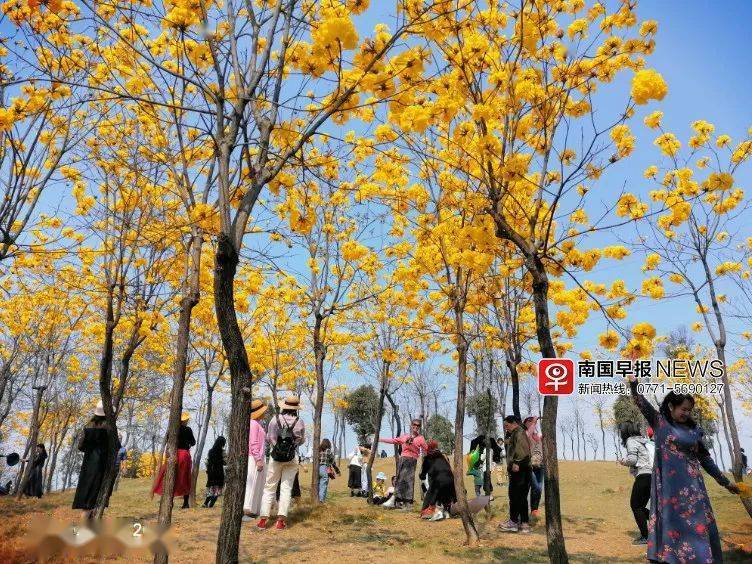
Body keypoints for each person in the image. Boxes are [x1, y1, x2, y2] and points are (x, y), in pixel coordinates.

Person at [629, 377, 739, 563]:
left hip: (693, 490)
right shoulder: (660, 423)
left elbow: (705, 459)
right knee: (672, 526)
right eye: (683, 409)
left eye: (689, 410)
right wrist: (633, 382)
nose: (687, 413)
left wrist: (725, 482)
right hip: (669, 491)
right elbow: (640, 402)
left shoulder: (693, 431)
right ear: (671, 406)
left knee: (696, 527)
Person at [258, 394, 305, 530]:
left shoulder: (275, 419)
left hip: (276, 457)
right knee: (286, 488)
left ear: (284, 406)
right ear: (296, 408)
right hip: (291, 457)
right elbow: (301, 440)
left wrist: (277, 445)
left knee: (269, 487)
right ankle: (280, 521)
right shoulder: (299, 421)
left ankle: (263, 519)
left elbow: (269, 437)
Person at [616, 421, 654, 545]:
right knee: (641, 506)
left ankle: (646, 536)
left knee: (635, 506)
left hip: (643, 475)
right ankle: (661, 524)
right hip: (652, 475)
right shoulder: (643, 440)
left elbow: (632, 460)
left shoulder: (631, 441)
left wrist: (623, 461)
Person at [72, 401, 110, 519]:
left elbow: (80, 446)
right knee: (92, 501)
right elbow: (114, 447)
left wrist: (90, 450)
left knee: (88, 500)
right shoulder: (109, 428)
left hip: (88, 465)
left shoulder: (88, 427)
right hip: (102, 466)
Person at [379, 419, 428, 509]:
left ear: (419, 427)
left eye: (418, 425)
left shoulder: (421, 438)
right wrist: (380, 439)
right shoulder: (404, 436)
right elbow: (393, 440)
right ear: (411, 425)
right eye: (414, 424)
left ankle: (407, 503)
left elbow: (426, 449)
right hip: (403, 459)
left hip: (412, 460)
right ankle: (397, 501)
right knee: (400, 480)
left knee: (408, 481)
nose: (416, 427)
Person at [153, 412, 196, 509]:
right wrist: (187, 442)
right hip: (184, 455)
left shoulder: (173, 429)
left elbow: (168, 439)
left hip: (173, 454)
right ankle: (185, 503)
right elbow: (193, 442)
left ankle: (170, 500)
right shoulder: (188, 430)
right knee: (185, 478)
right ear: (185, 420)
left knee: (170, 476)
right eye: (187, 420)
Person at [498, 415, 532, 534]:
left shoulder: (519, 433)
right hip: (524, 469)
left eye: (507, 426)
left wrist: (516, 462)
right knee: (522, 497)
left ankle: (513, 522)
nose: (506, 428)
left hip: (520, 469)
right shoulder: (516, 433)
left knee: (515, 495)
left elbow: (523, 450)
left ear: (514, 423)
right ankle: (524, 523)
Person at [419, 440, 456, 521]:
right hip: (451, 481)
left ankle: (426, 512)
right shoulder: (443, 457)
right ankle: (447, 510)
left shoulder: (428, 458)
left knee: (431, 493)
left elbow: (423, 475)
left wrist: (421, 476)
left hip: (438, 482)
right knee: (442, 490)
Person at [243, 399, 268, 519]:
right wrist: (258, 459)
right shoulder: (253, 423)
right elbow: (253, 443)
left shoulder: (258, 423)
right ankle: (247, 511)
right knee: (252, 484)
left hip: (259, 457)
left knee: (258, 484)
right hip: (254, 458)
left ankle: (254, 510)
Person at [523, 416, 544, 519]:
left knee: (539, 488)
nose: (532, 422)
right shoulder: (525, 434)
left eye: (533, 421)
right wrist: (534, 423)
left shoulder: (538, 436)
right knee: (534, 486)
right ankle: (523, 511)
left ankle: (534, 510)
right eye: (529, 421)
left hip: (540, 465)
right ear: (525, 423)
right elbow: (527, 436)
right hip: (529, 465)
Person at [203, 436, 226, 508]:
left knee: (211, 489)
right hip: (219, 473)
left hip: (211, 472)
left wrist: (208, 470)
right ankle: (211, 505)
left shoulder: (210, 451)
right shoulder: (222, 452)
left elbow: (206, 461)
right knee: (217, 491)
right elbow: (225, 462)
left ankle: (205, 504)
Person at [317, 438, 340, 502]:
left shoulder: (318, 450)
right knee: (323, 485)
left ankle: (317, 499)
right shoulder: (328, 451)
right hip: (324, 468)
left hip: (317, 469)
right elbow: (333, 462)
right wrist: (337, 471)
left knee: (318, 485)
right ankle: (321, 501)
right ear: (328, 444)